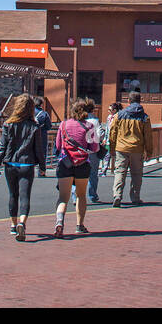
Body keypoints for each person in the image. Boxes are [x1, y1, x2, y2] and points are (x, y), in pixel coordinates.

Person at [0, 93, 47, 242]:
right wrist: (42, 166)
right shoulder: (34, 126)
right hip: (27, 164)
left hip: (10, 164)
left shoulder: (8, 124)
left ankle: (13, 224)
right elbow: (39, 149)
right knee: (25, 195)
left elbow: (1, 147)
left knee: (13, 195)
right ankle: (22, 222)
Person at [52, 99, 101, 236]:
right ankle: (80, 225)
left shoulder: (63, 125)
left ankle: (59, 221)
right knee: (80, 195)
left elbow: (57, 145)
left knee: (63, 197)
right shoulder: (89, 126)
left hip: (65, 163)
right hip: (82, 164)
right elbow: (94, 147)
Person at [108, 91, 154, 207]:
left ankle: (117, 195)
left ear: (129, 101)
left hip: (121, 148)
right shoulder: (144, 117)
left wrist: (112, 147)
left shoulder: (119, 115)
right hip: (137, 149)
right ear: (140, 101)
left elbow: (113, 132)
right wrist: (149, 151)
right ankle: (135, 197)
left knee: (120, 172)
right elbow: (148, 135)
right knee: (137, 174)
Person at [85, 103, 105, 203]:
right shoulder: (95, 121)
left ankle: (75, 196)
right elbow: (101, 134)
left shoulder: (79, 120)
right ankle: (92, 194)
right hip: (93, 149)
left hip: (81, 149)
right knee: (93, 173)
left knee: (77, 173)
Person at [33, 95, 52, 177]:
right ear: (41, 104)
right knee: (42, 153)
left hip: (30, 135)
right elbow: (49, 126)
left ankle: (29, 169)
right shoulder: (44, 114)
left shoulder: (29, 113)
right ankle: (42, 171)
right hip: (41, 135)